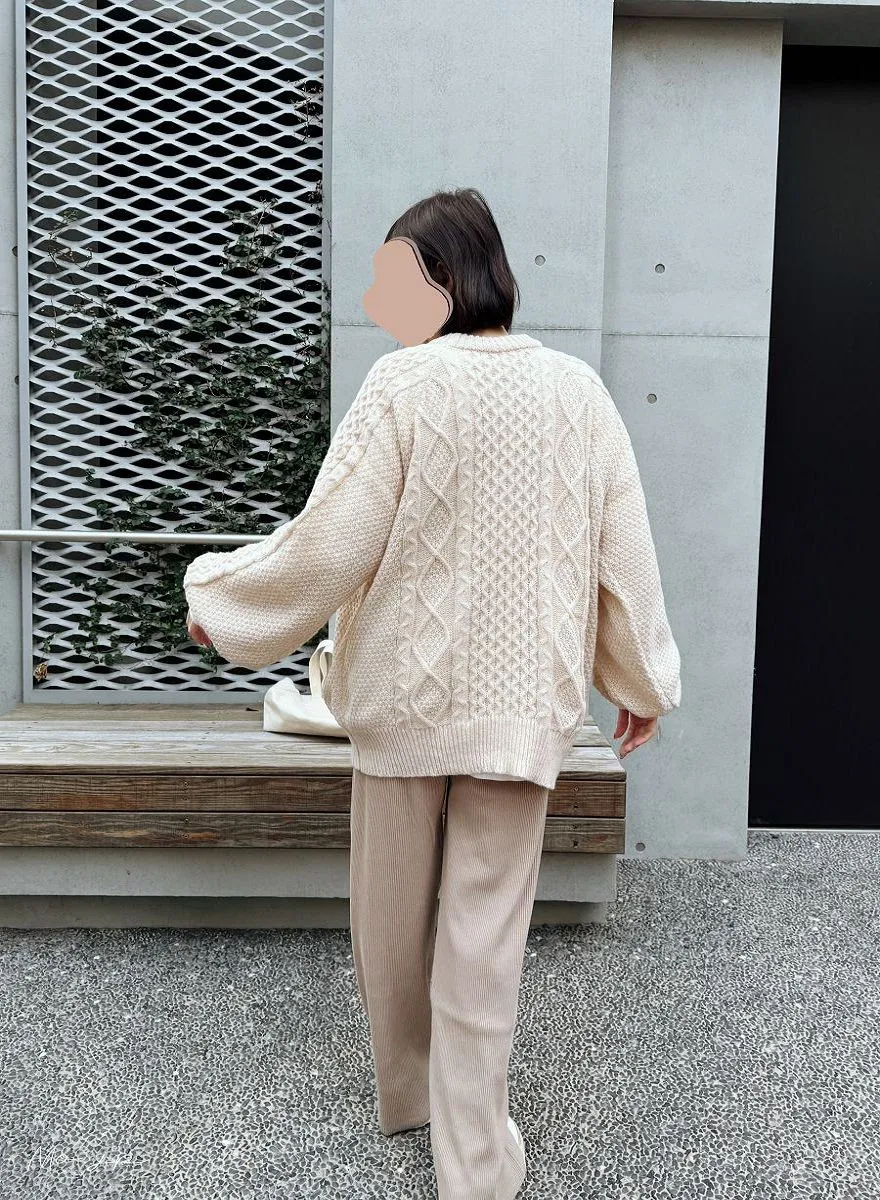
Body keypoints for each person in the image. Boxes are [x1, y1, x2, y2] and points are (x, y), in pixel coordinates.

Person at [184, 186, 681, 1200]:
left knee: (389, 920)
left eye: (394, 277)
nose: (381, 300)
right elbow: (623, 555)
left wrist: (221, 602)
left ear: (447, 277)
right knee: (483, 941)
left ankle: (411, 1093)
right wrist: (640, 680)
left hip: (403, 707)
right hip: (520, 711)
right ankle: (475, 1165)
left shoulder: (404, 385)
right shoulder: (579, 393)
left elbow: (328, 541)